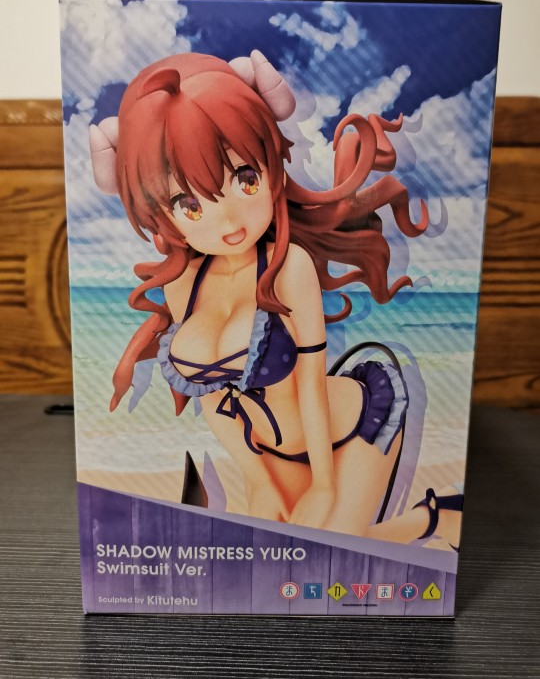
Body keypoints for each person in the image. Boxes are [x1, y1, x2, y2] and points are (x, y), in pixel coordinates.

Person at [89, 50, 462, 547]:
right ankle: (431, 519)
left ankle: (431, 519)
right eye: (190, 204)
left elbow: (310, 381)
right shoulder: (182, 285)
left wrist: (324, 486)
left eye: (246, 179)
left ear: (271, 170)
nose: (229, 220)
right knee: (282, 558)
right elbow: (214, 398)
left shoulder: (289, 267)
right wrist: (257, 477)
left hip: (352, 427)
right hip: (268, 451)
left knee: (330, 554)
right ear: (161, 213)